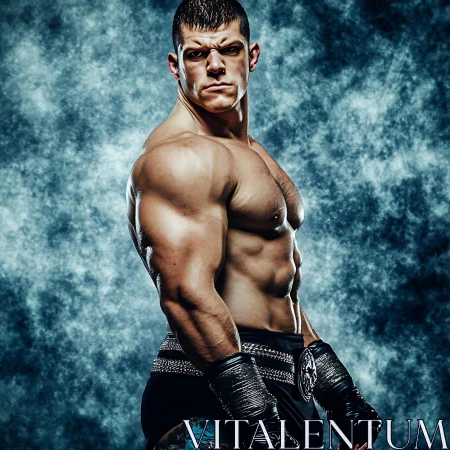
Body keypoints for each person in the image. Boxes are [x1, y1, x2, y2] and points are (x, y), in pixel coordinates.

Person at [125, 1, 381, 449]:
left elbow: (274, 287)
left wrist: (339, 393)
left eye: (229, 49)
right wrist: (257, 414)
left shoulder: (248, 152)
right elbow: (186, 296)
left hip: (277, 384)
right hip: (210, 396)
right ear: (175, 65)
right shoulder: (180, 157)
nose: (216, 66)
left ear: (253, 55)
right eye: (197, 54)